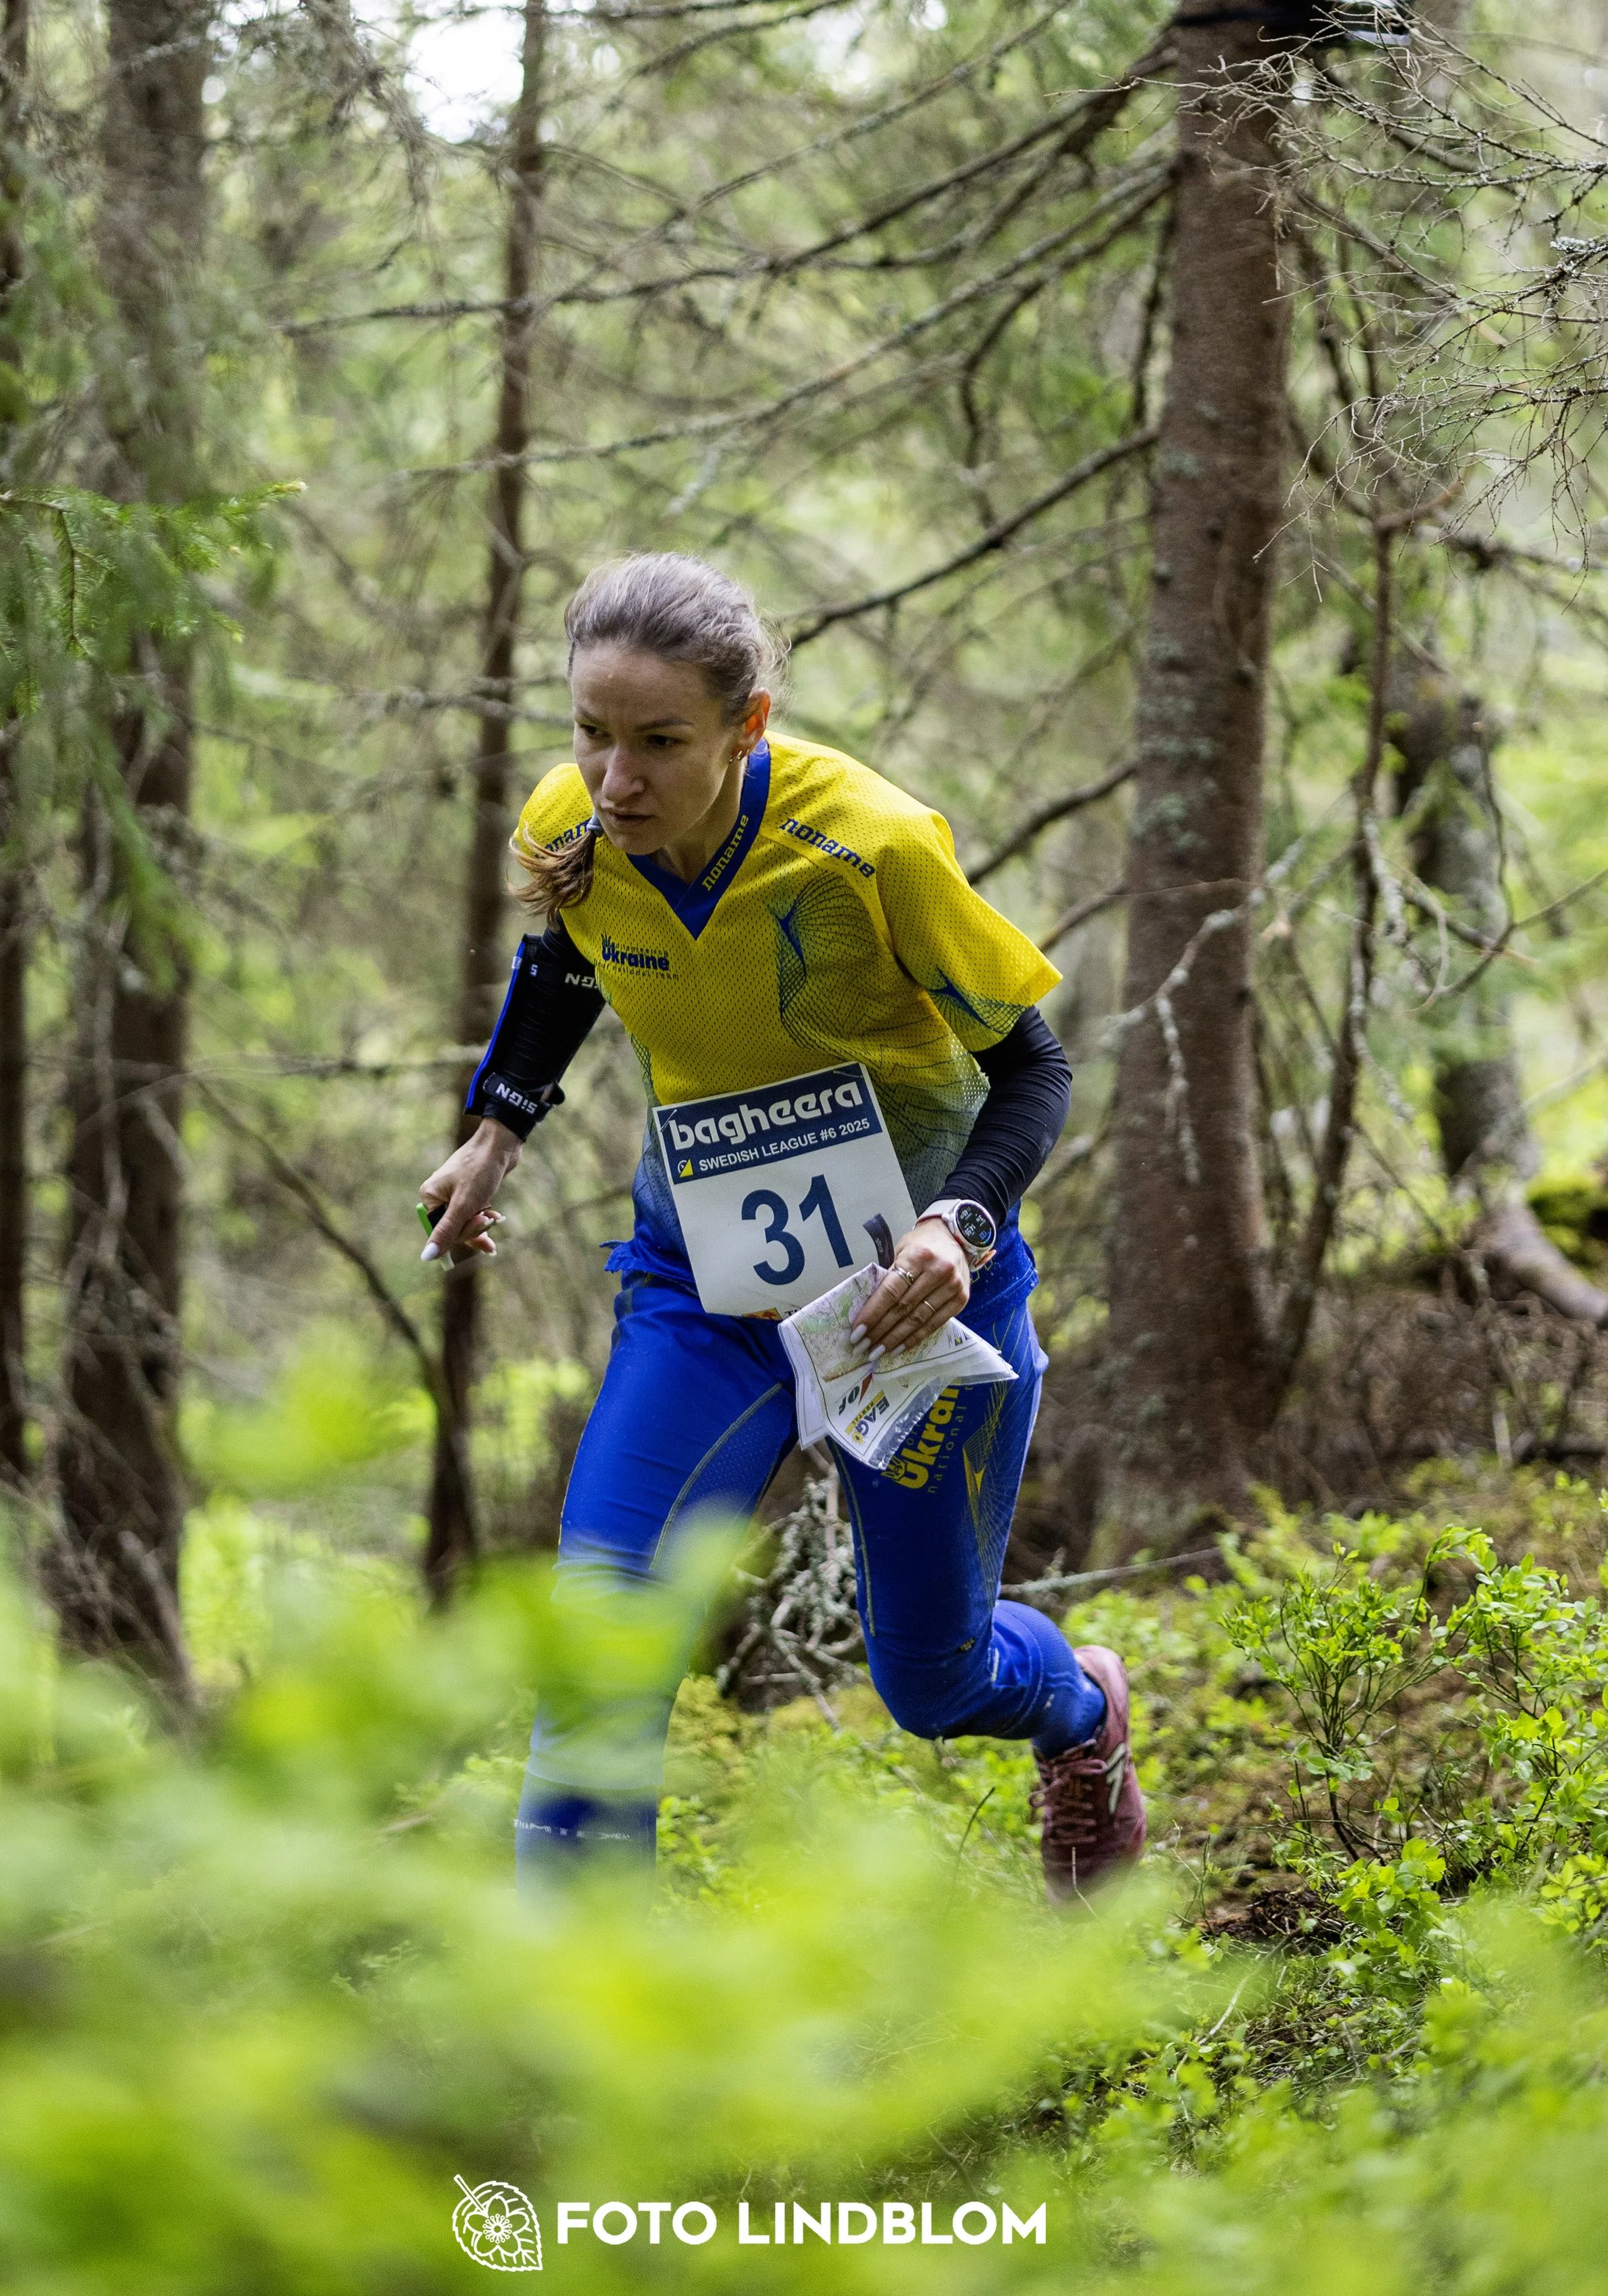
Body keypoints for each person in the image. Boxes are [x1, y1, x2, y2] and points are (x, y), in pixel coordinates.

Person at [417, 553, 1144, 1901]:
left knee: (933, 1679)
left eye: (658, 742)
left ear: (747, 724)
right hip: (705, 1290)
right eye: (590, 732)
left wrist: (956, 1226)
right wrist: (497, 1126)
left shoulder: (872, 844)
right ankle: (570, 1997)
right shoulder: (574, 823)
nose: (614, 780)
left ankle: (1082, 1710)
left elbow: (1032, 1068)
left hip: (912, 1298)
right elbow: (567, 959)